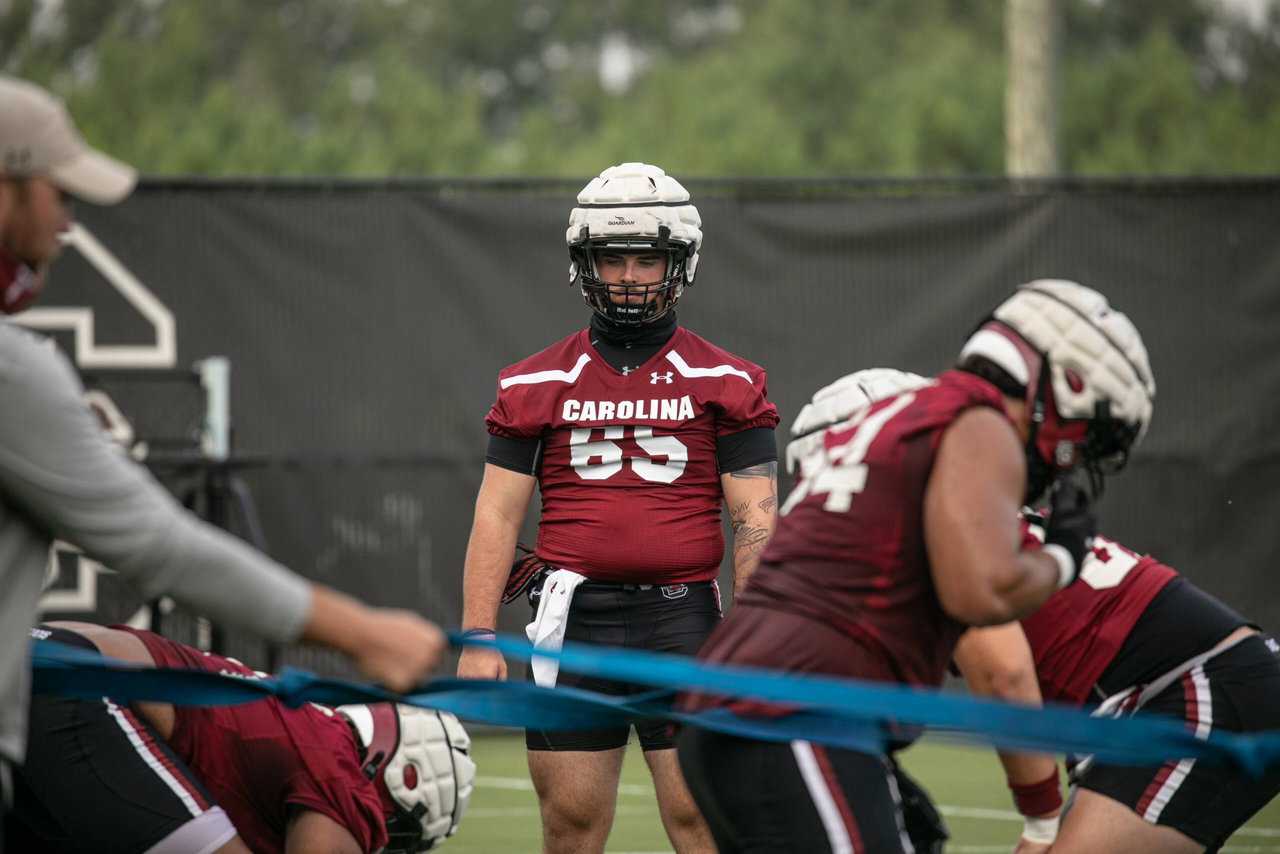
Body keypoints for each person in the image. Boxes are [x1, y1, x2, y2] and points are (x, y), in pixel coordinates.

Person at [0, 74, 447, 807]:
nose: (67, 223)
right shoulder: (13, 371)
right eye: (59, 195)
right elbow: (159, 545)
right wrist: (363, 633)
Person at [674, 279, 1157, 854]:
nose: (1067, 457)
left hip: (729, 706)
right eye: (1079, 436)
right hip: (797, 715)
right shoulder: (977, 421)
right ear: (1063, 382)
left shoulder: (889, 419)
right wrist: (1062, 555)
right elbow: (980, 595)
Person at [456, 162, 780, 854]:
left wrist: (753, 637)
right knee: (569, 822)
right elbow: (496, 515)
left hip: (683, 618)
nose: (629, 277)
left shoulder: (728, 380)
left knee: (702, 816)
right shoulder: (535, 381)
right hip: (574, 621)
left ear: (679, 264)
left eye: (646, 259)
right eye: (613, 259)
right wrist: (478, 634)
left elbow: (755, 519)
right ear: (586, 264)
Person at [953, 515, 1280, 854]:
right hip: (1184, 687)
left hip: (1200, 686)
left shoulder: (946, 544)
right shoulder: (976, 521)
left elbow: (1003, 674)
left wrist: (1040, 816)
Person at [7, 621, 474, 854]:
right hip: (76, 688)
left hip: (29, 650)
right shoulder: (342, 777)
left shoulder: (309, 727)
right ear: (404, 779)